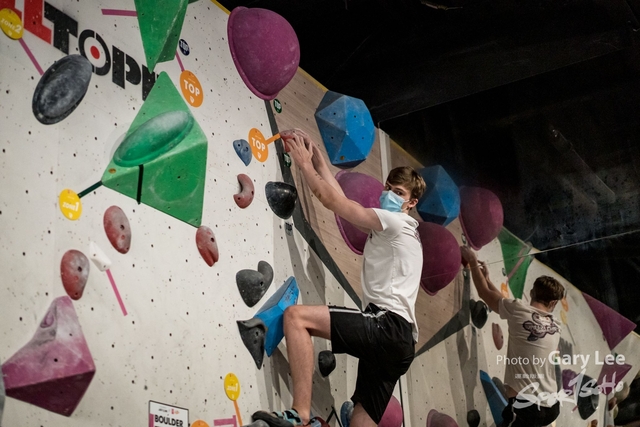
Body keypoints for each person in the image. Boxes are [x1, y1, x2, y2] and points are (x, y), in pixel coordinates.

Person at [253, 129, 426, 427]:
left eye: (398, 193)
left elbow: (332, 202)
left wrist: (303, 163)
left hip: (388, 326)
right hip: (401, 346)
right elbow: (341, 199)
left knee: (296, 318)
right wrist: (320, 163)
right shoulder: (401, 231)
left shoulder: (395, 222)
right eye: (388, 188)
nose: (389, 195)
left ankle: (299, 415)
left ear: (411, 204)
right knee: (362, 421)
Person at [460, 246, 565, 427]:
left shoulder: (518, 310)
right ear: (554, 303)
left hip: (527, 407)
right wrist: (488, 280)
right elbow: (505, 303)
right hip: (552, 408)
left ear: (531, 292)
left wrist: (472, 261)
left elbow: (485, 295)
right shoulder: (556, 325)